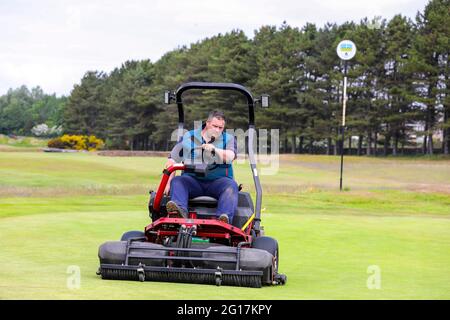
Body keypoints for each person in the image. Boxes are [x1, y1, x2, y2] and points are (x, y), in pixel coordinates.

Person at [164, 110, 238, 224]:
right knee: (178, 181)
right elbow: (172, 160)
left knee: (231, 186)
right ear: (207, 123)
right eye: (215, 126)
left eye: (220, 128)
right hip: (192, 181)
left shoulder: (228, 139)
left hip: (218, 182)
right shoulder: (189, 136)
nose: (217, 130)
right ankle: (179, 212)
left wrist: (214, 149)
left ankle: (223, 220)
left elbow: (230, 156)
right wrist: (167, 183)